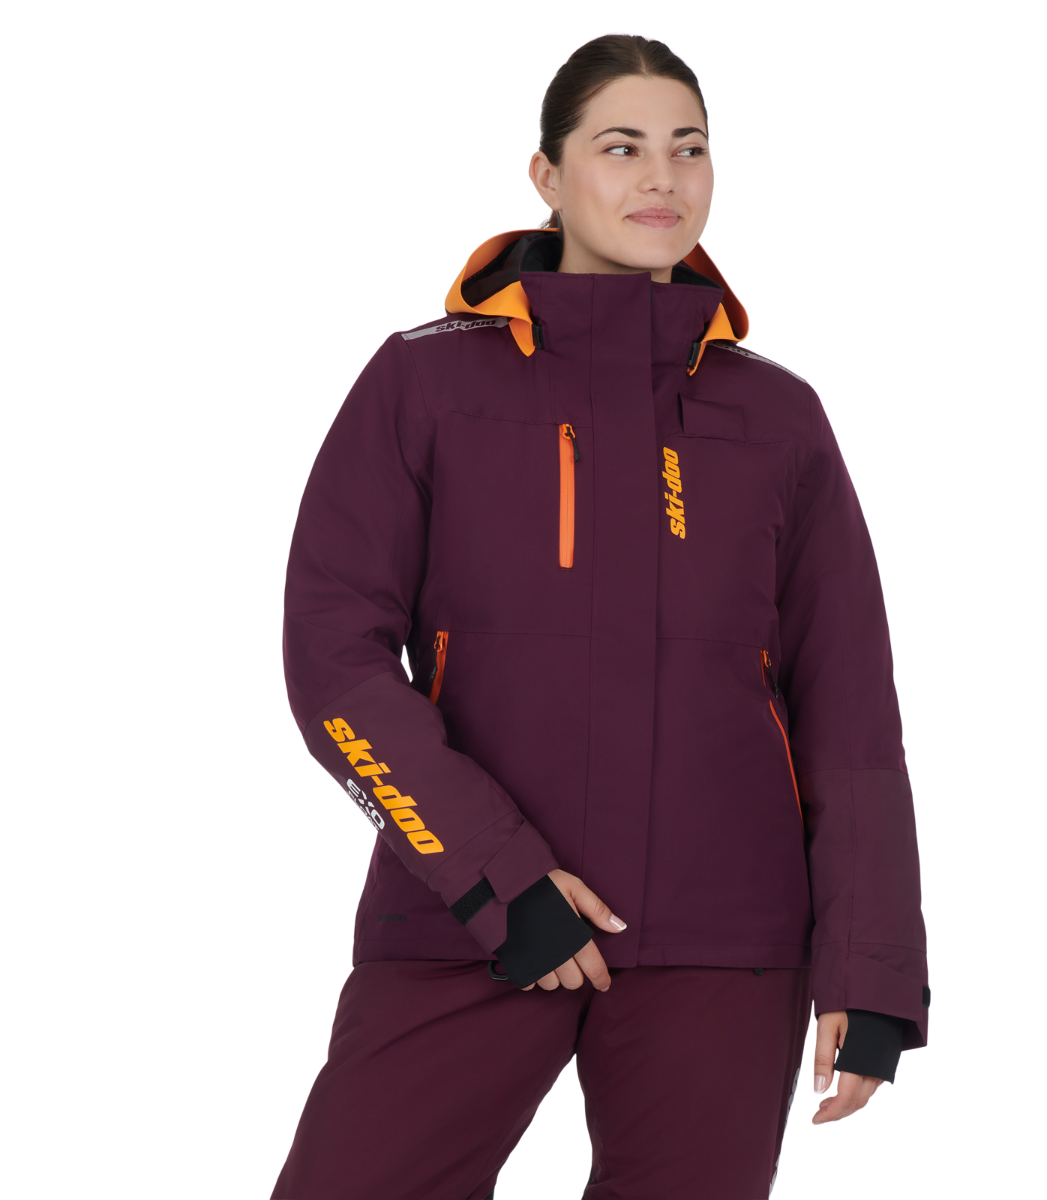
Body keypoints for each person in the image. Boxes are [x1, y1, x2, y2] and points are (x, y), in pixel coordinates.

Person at [273, 30, 930, 1200]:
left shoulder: (780, 417)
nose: (661, 178)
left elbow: (851, 709)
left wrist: (871, 968)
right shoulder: (424, 381)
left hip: (725, 939)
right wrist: (494, 878)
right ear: (547, 172)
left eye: (689, 149)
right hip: (468, 920)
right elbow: (335, 659)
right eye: (622, 147)